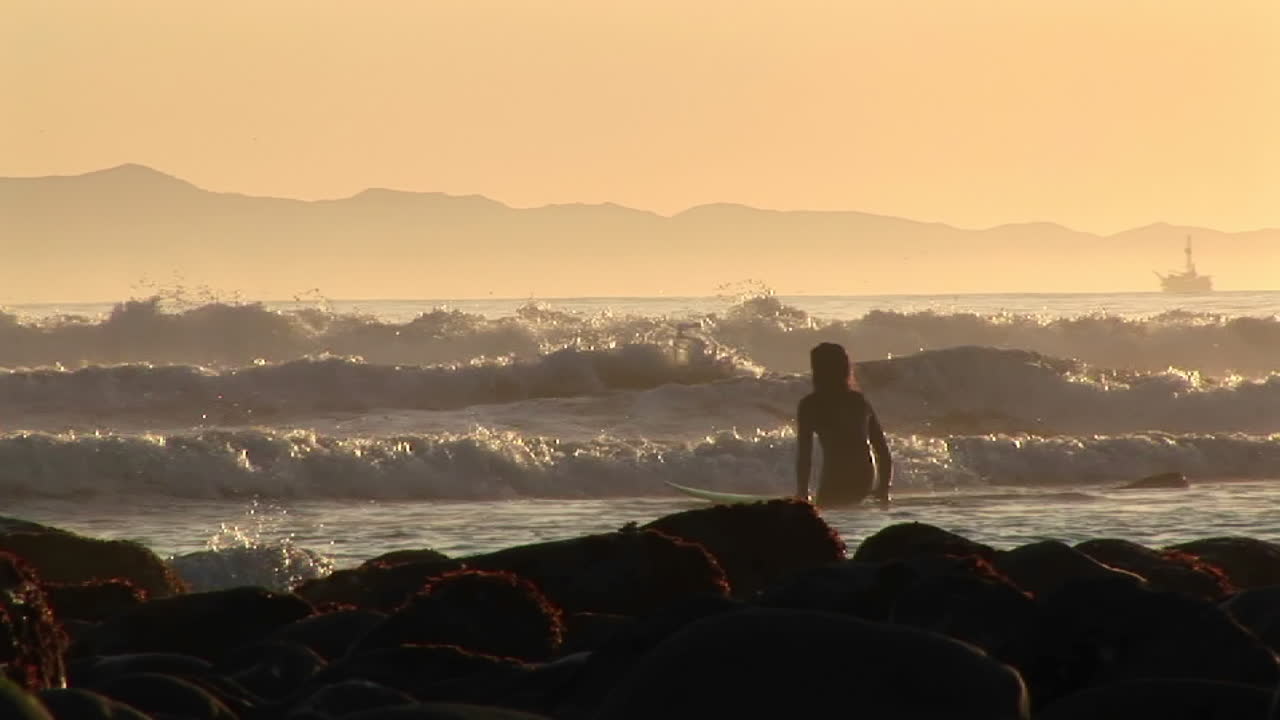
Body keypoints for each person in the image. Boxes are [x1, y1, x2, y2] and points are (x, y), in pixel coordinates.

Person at [795, 342, 892, 506]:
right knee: (853, 522)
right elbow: (882, 449)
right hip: (865, 473)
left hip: (836, 475)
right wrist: (883, 488)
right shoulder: (857, 401)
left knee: (828, 521)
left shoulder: (810, 404)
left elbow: (805, 454)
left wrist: (802, 493)